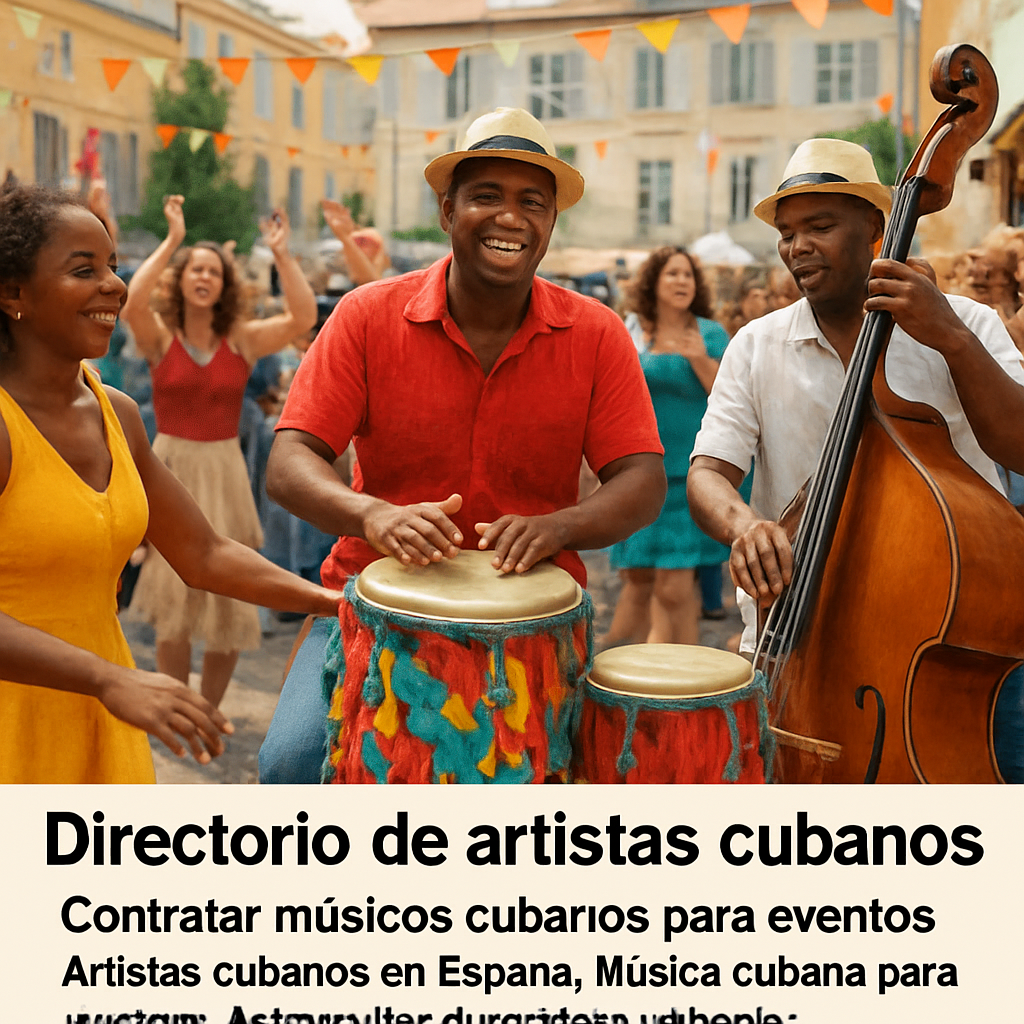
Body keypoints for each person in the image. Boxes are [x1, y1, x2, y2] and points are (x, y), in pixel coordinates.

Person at [259, 106, 667, 783]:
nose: (510, 217)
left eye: (531, 202)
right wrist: (373, 516)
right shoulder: (365, 316)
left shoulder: (596, 333)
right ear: (447, 211)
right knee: (291, 765)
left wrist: (558, 525)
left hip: (534, 624)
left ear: (550, 223)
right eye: (487, 197)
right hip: (370, 604)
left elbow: (642, 480)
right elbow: (288, 461)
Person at [686, 137, 1024, 779]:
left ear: (875, 227)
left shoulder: (968, 324)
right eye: (787, 233)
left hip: (960, 643)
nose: (797, 247)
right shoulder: (757, 345)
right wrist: (744, 525)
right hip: (803, 642)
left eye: (819, 226)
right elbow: (709, 472)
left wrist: (947, 335)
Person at [0, 183, 343, 783]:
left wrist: (332, 603)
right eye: (85, 270)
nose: (114, 284)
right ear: (12, 293)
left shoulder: (119, 415)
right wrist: (109, 678)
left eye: (112, 265)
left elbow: (204, 552)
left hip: (107, 716)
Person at [121, 196, 317, 708]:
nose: (204, 276)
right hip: (172, 468)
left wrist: (282, 253)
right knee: (173, 600)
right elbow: (132, 303)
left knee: (228, 603)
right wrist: (172, 241)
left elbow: (302, 316)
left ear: (225, 283)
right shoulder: (161, 339)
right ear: (182, 280)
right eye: (196, 269)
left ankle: (207, 708)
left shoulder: (243, 340)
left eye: (214, 270)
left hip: (225, 470)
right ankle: (177, 704)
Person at [601, 247, 731, 648]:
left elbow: (728, 398)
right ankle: (628, 670)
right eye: (672, 274)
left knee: (674, 588)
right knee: (638, 581)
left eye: (688, 275)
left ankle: (678, 677)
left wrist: (698, 359)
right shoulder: (635, 332)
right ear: (654, 282)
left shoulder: (710, 333)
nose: (681, 282)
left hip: (690, 479)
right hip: (641, 474)